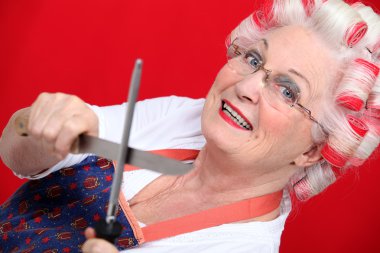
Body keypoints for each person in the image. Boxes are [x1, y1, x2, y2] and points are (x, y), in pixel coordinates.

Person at [1, 0, 379, 252]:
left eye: (287, 90)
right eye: (252, 59)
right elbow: (18, 154)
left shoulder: (240, 246)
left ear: (312, 150)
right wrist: (36, 128)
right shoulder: (178, 116)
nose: (246, 87)